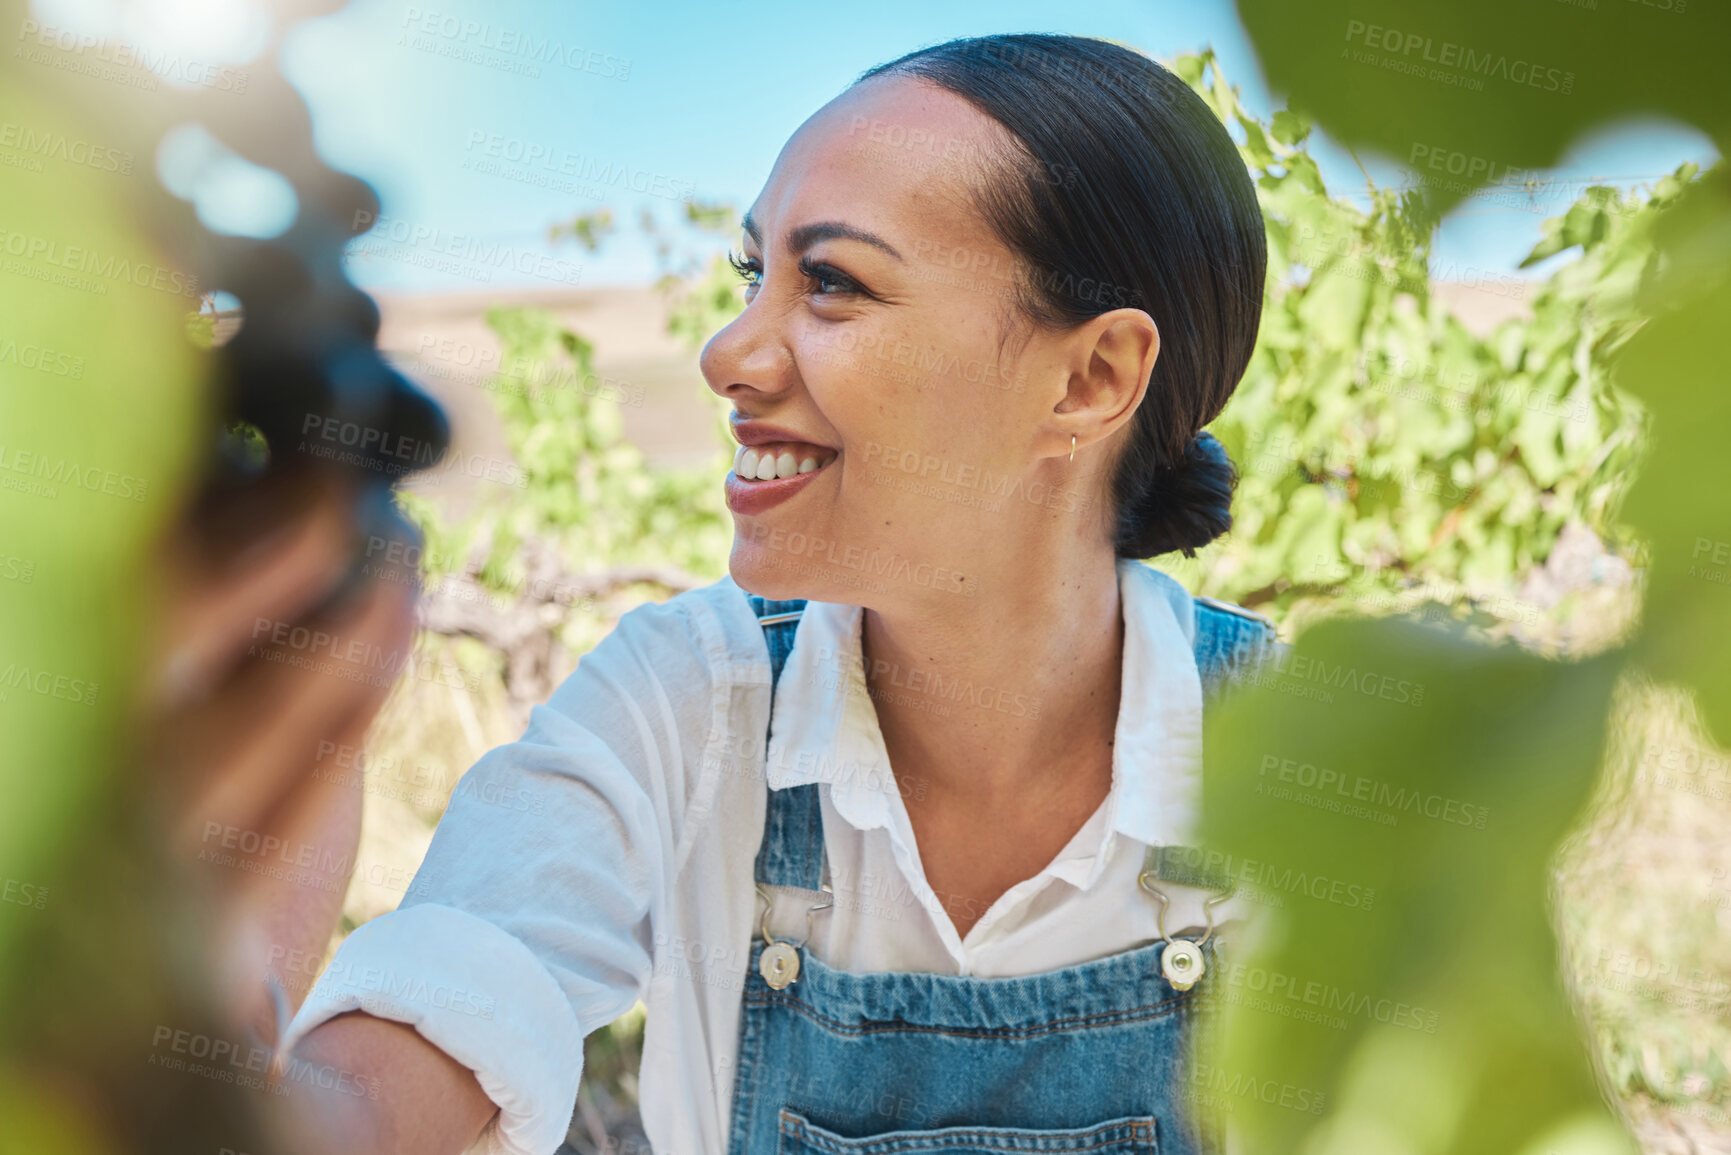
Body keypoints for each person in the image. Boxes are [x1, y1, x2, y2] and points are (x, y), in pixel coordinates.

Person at [274, 32, 1275, 1155]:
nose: (728, 353)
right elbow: (455, 998)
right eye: (757, 276)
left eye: (834, 284)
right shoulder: (689, 702)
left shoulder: (1292, 775)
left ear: (1090, 380)